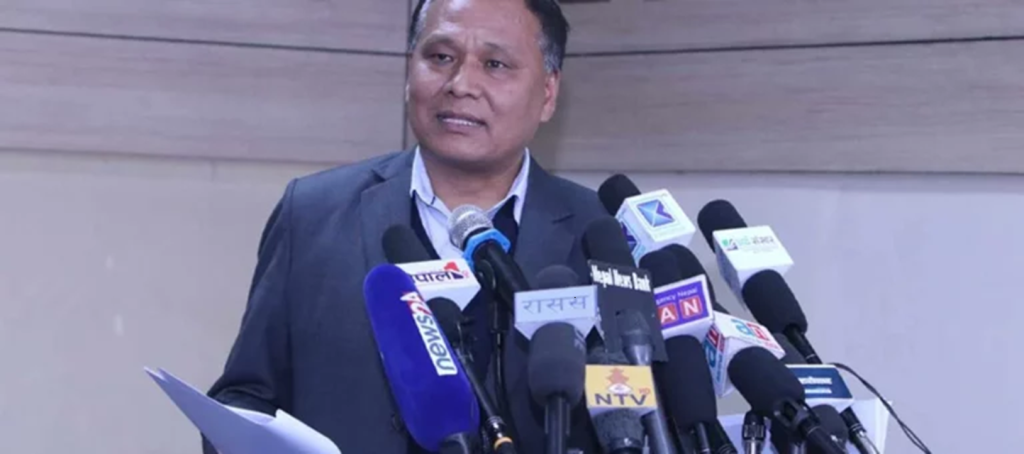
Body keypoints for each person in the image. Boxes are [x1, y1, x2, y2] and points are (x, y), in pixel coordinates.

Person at [204, 0, 608, 452]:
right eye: (441, 57)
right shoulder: (313, 214)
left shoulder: (601, 234)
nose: (461, 84)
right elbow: (244, 399)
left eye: (495, 64)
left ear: (548, 93)